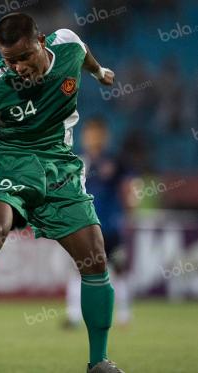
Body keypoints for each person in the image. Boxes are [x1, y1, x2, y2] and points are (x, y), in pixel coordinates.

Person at [0, 12, 124, 373]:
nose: (18, 67)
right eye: (9, 60)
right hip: (10, 163)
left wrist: (100, 73)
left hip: (59, 167)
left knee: (96, 259)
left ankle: (99, 362)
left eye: (24, 57)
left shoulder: (66, 44)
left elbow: (83, 51)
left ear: (42, 41)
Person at [65, 117, 132, 328]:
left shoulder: (116, 162)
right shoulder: (77, 161)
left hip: (111, 226)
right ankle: (73, 316)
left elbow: (128, 189)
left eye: (96, 133)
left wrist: (129, 211)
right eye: (89, 133)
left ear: (105, 136)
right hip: (85, 227)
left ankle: (123, 314)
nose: (92, 138)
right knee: (78, 268)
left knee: (118, 268)